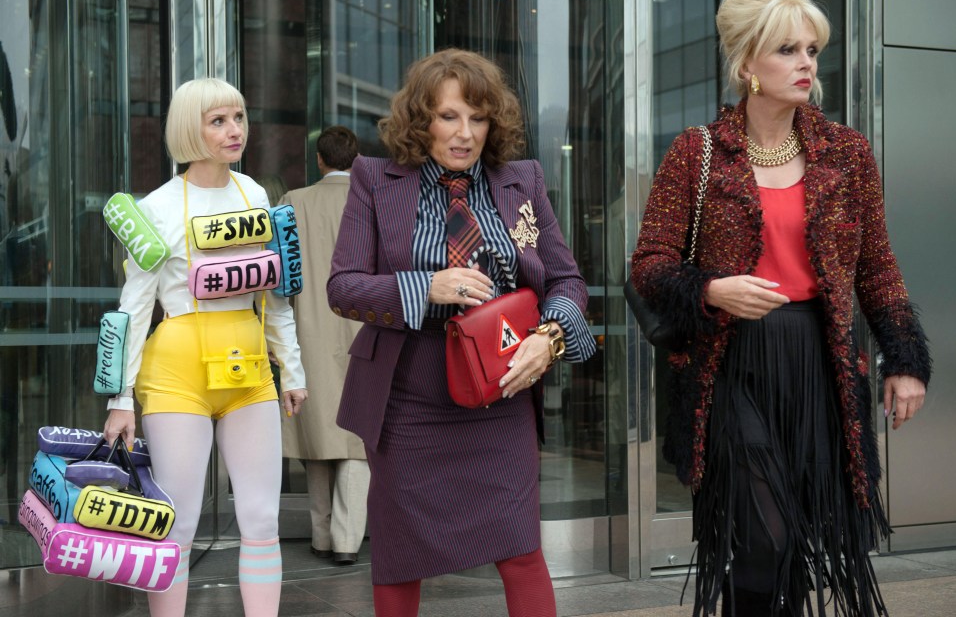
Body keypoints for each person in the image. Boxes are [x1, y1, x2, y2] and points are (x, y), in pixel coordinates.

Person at [630, 0, 931, 616]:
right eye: (787, 49)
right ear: (747, 65)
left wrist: (904, 360)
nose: (806, 64)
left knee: (796, 538)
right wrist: (711, 289)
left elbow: (876, 265)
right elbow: (650, 267)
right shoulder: (698, 151)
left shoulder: (846, 154)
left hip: (817, 361)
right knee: (767, 533)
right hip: (730, 365)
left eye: (813, 50)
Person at [327, 48, 596, 617]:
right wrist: (426, 285)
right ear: (421, 119)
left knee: (521, 549)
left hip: (501, 390)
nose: (465, 134)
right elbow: (343, 287)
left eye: (478, 119)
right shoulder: (375, 180)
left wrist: (549, 338)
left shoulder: (521, 181)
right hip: (408, 397)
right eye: (449, 117)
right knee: (399, 557)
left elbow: (567, 279)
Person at [103, 78, 308, 617]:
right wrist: (119, 398)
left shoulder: (255, 195)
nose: (234, 130)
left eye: (238, 117)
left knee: (262, 519)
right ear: (189, 130)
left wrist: (292, 369)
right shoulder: (156, 207)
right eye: (218, 121)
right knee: (179, 522)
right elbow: (132, 309)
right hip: (177, 375)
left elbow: (275, 292)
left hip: (249, 373)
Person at [280, 125, 369, 565]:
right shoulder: (371, 200)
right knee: (357, 441)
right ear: (358, 159)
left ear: (319, 159)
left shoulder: (292, 203)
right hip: (363, 330)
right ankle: (348, 540)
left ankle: (320, 534)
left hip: (307, 330)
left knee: (316, 435)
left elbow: (277, 276)